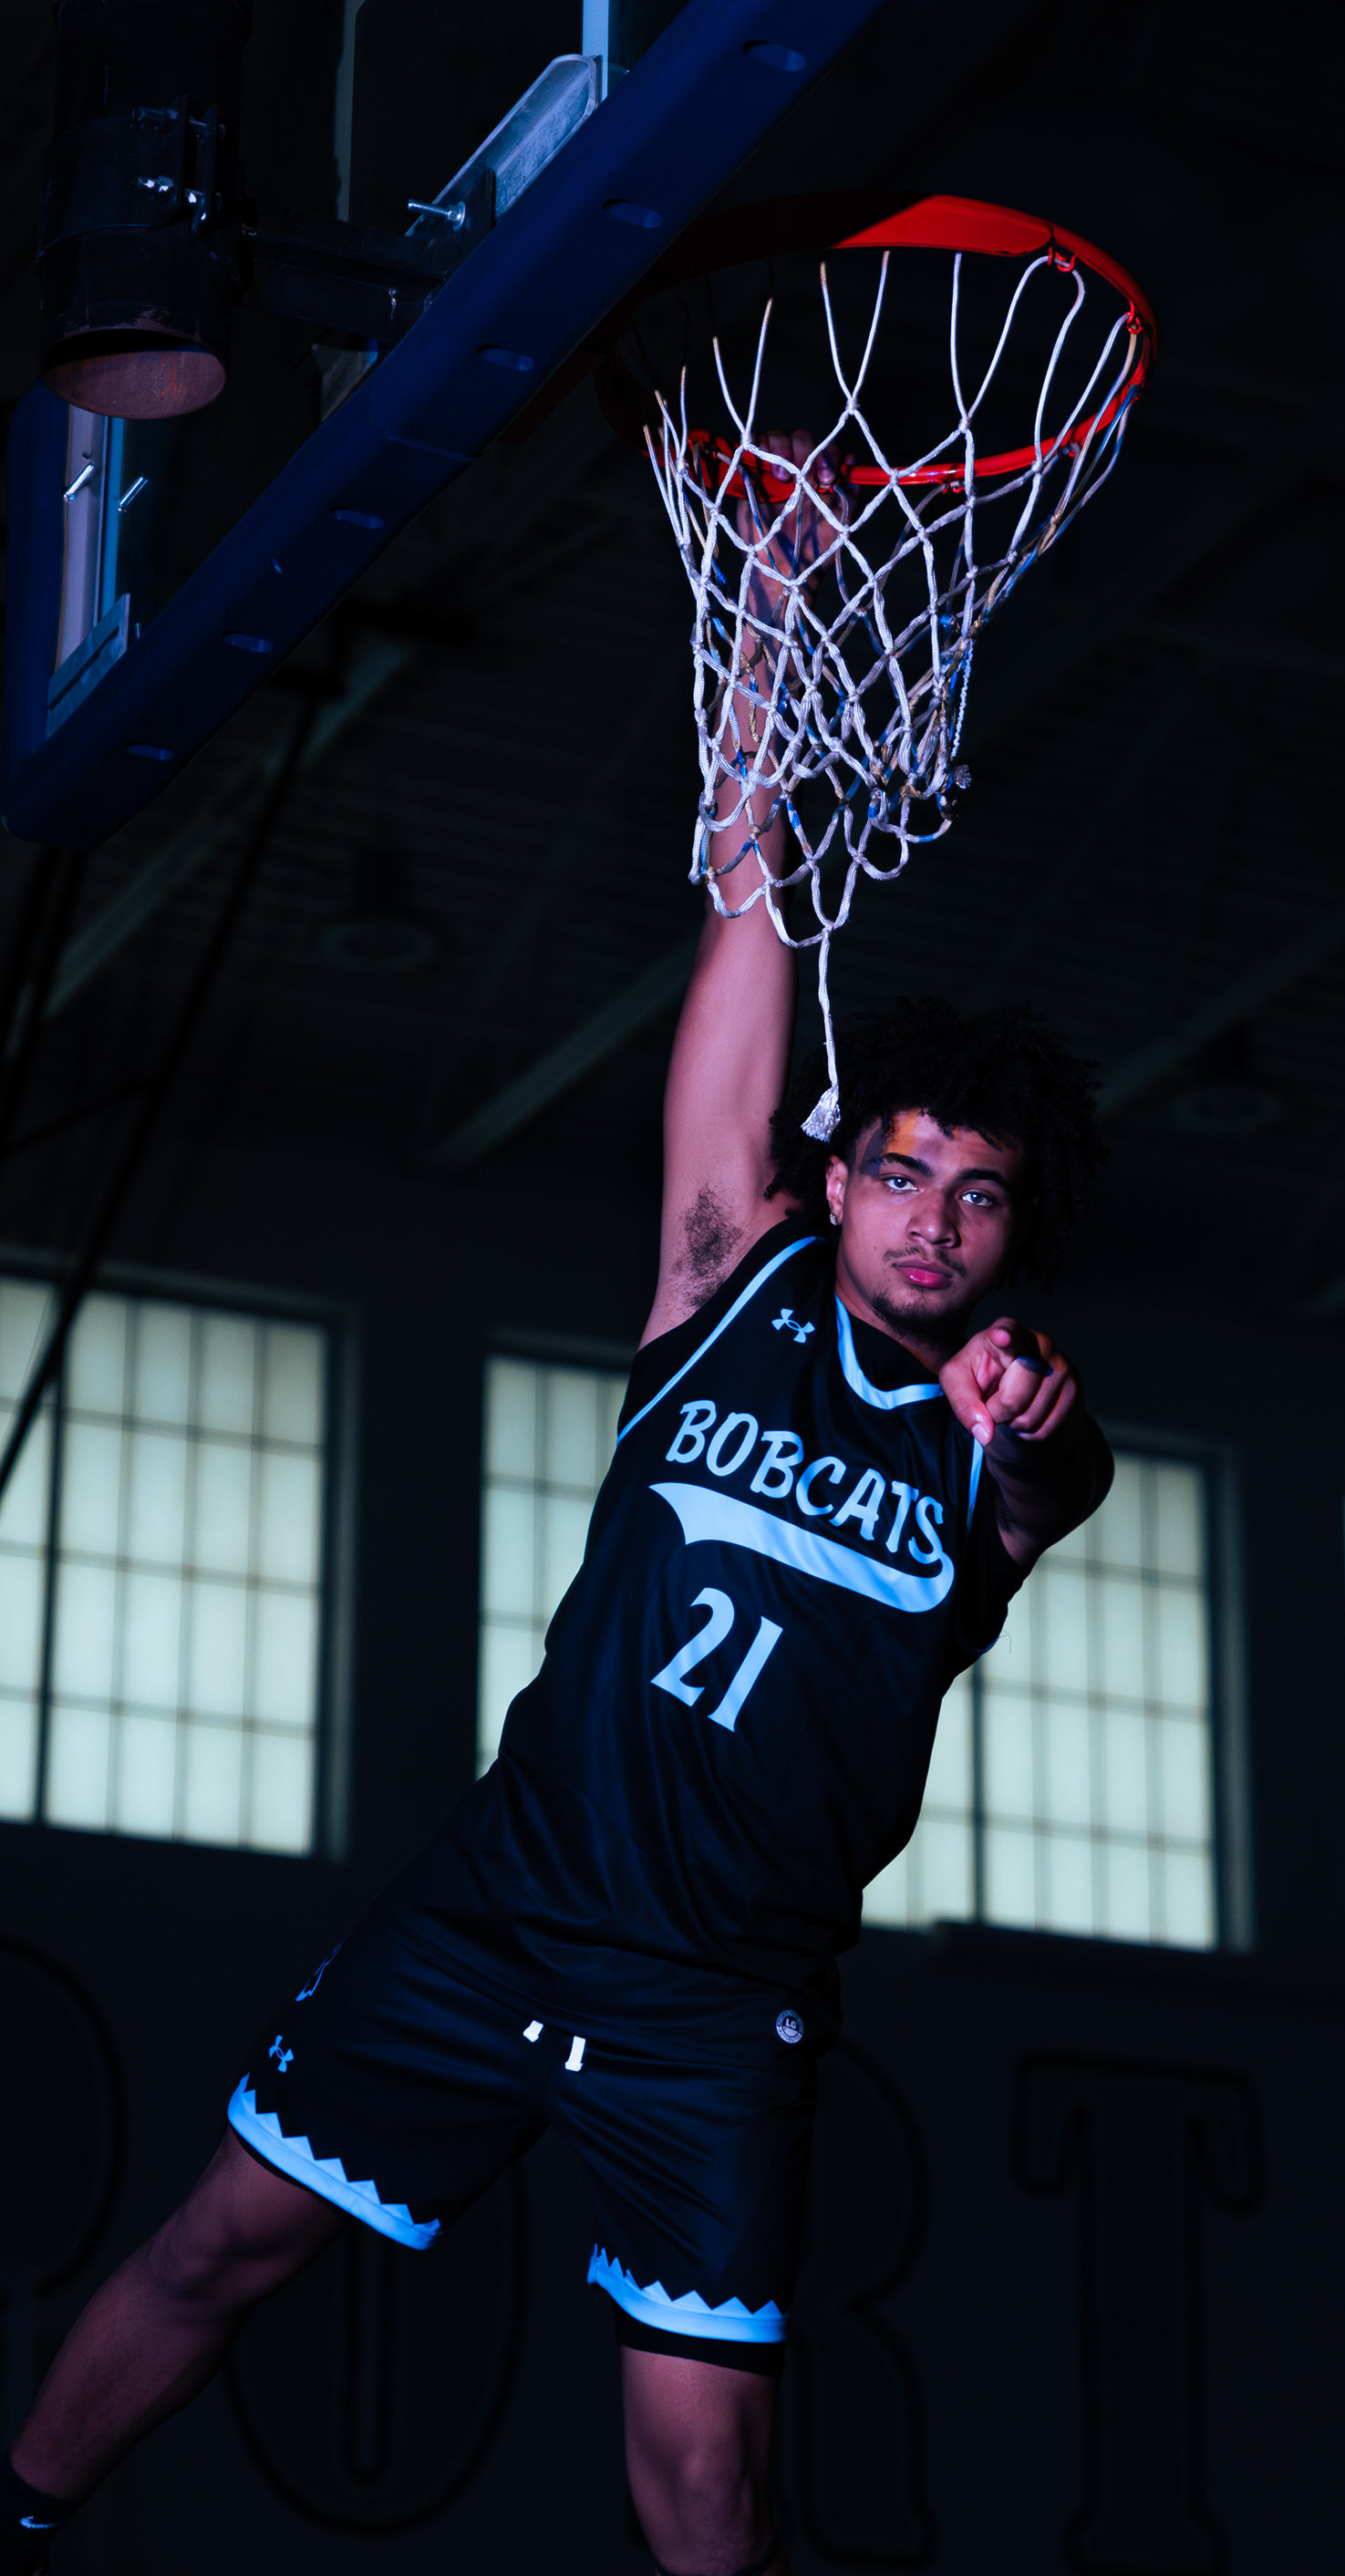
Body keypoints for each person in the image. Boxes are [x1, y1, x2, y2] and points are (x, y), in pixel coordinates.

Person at [2, 439, 1112, 2576]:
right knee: (215, 2247)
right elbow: (743, 920)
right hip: (504, 1902)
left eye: (978, 1197)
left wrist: (1041, 1434)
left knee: (703, 2486)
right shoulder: (722, 1278)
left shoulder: (1000, 1429)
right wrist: (769, 630)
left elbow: (1061, 1479)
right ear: (836, 1176)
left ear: (1011, 1237)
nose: (930, 1218)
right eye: (898, 1170)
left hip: (716, 2000)